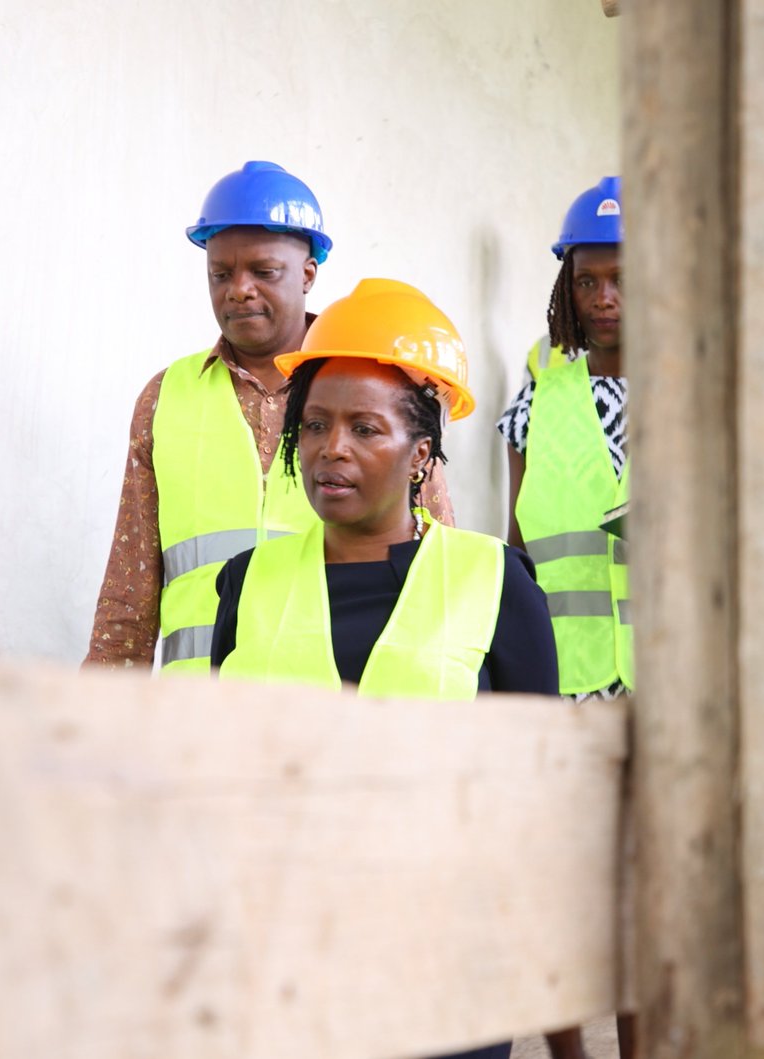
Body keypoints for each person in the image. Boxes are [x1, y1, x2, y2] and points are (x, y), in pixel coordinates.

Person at [211, 278, 577, 1059]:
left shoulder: (494, 581)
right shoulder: (248, 581)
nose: (330, 449)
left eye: (363, 428)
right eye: (312, 425)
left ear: (420, 454)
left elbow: (540, 790)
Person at [82, 161, 453, 673]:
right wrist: (103, 710)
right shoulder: (166, 397)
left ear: (307, 274)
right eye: (221, 274)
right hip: (197, 716)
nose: (238, 289)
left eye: (263, 272)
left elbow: (436, 557)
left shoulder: (378, 389)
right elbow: (130, 591)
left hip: (337, 707)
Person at [496, 177, 633, 1059]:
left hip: (665, 683)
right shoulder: (544, 382)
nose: (607, 296)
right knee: (556, 889)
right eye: (588, 280)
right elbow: (512, 534)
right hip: (557, 679)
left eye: (626, 276)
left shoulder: (701, 379)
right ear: (567, 286)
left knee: (642, 901)